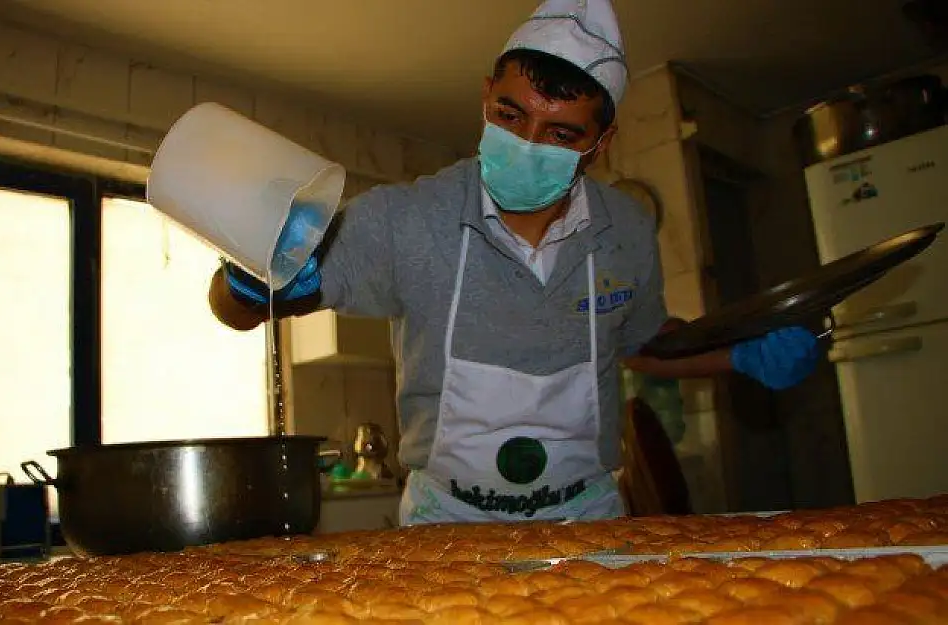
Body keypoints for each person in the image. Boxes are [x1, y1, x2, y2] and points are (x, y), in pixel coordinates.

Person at [208, 0, 820, 525]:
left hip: (586, 515)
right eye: (510, 115)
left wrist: (738, 355)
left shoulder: (626, 230)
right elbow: (234, 312)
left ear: (600, 145)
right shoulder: (407, 219)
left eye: (560, 134)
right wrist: (250, 277)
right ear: (485, 96)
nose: (527, 144)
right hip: (446, 520)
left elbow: (640, 344)